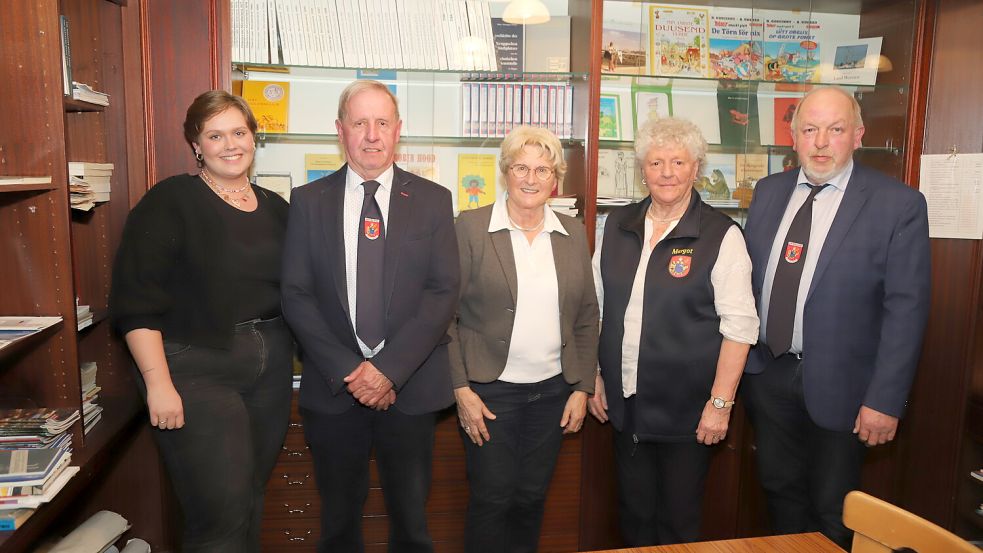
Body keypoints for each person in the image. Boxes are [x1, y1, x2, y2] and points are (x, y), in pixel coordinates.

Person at [742, 86, 930, 549]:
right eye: (810, 129)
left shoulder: (898, 204)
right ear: (793, 136)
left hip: (844, 388)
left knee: (833, 507)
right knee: (779, 494)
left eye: (836, 130)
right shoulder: (767, 192)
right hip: (769, 374)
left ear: (858, 135)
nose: (821, 142)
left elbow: (907, 309)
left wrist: (886, 400)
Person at [280, 80, 460, 553]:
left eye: (382, 123)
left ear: (399, 131)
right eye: (360, 123)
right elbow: (296, 295)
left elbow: (442, 293)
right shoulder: (308, 201)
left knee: (412, 524)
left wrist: (387, 371)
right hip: (335, 387)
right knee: (338, 524)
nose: (372, 135)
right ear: (340, 131)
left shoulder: (433, 200)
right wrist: (352, 371)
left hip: (411, 388)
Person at [109, 90, 292, 553]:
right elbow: (135, 301)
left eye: (238, 132)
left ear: (254, 137)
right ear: (196, 144)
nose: (230, 144)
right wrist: (158, 383)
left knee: (251, 499)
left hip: (270, 370)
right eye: (215, 135)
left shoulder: (276, 206)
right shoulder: (170, 201)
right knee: (220, 515)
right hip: (195, 370)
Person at [588, 117, 759, 546]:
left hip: (689, 413)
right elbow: (595, 307)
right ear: (641, 168)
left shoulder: (721, 235)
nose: (666, 172)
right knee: (634, 519)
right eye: (655, 162)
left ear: (696, 167)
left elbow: (740, 328)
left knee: (678, 525)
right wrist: (592, 375)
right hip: (627, 406)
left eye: (678, 161)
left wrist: (720, 405)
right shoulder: (617, 226)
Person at [449, 126, 599, 553]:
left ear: (555, 179)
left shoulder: (572, 233)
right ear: (505, 172)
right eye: (521, 168)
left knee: (531, 498)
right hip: (489, 393)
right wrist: (462, 389)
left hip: (553, 391)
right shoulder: (472, 227)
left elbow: (587, 316)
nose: (531, 179)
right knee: (492, 499)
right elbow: (447, 318)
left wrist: (583, 387)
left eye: (542, 169)